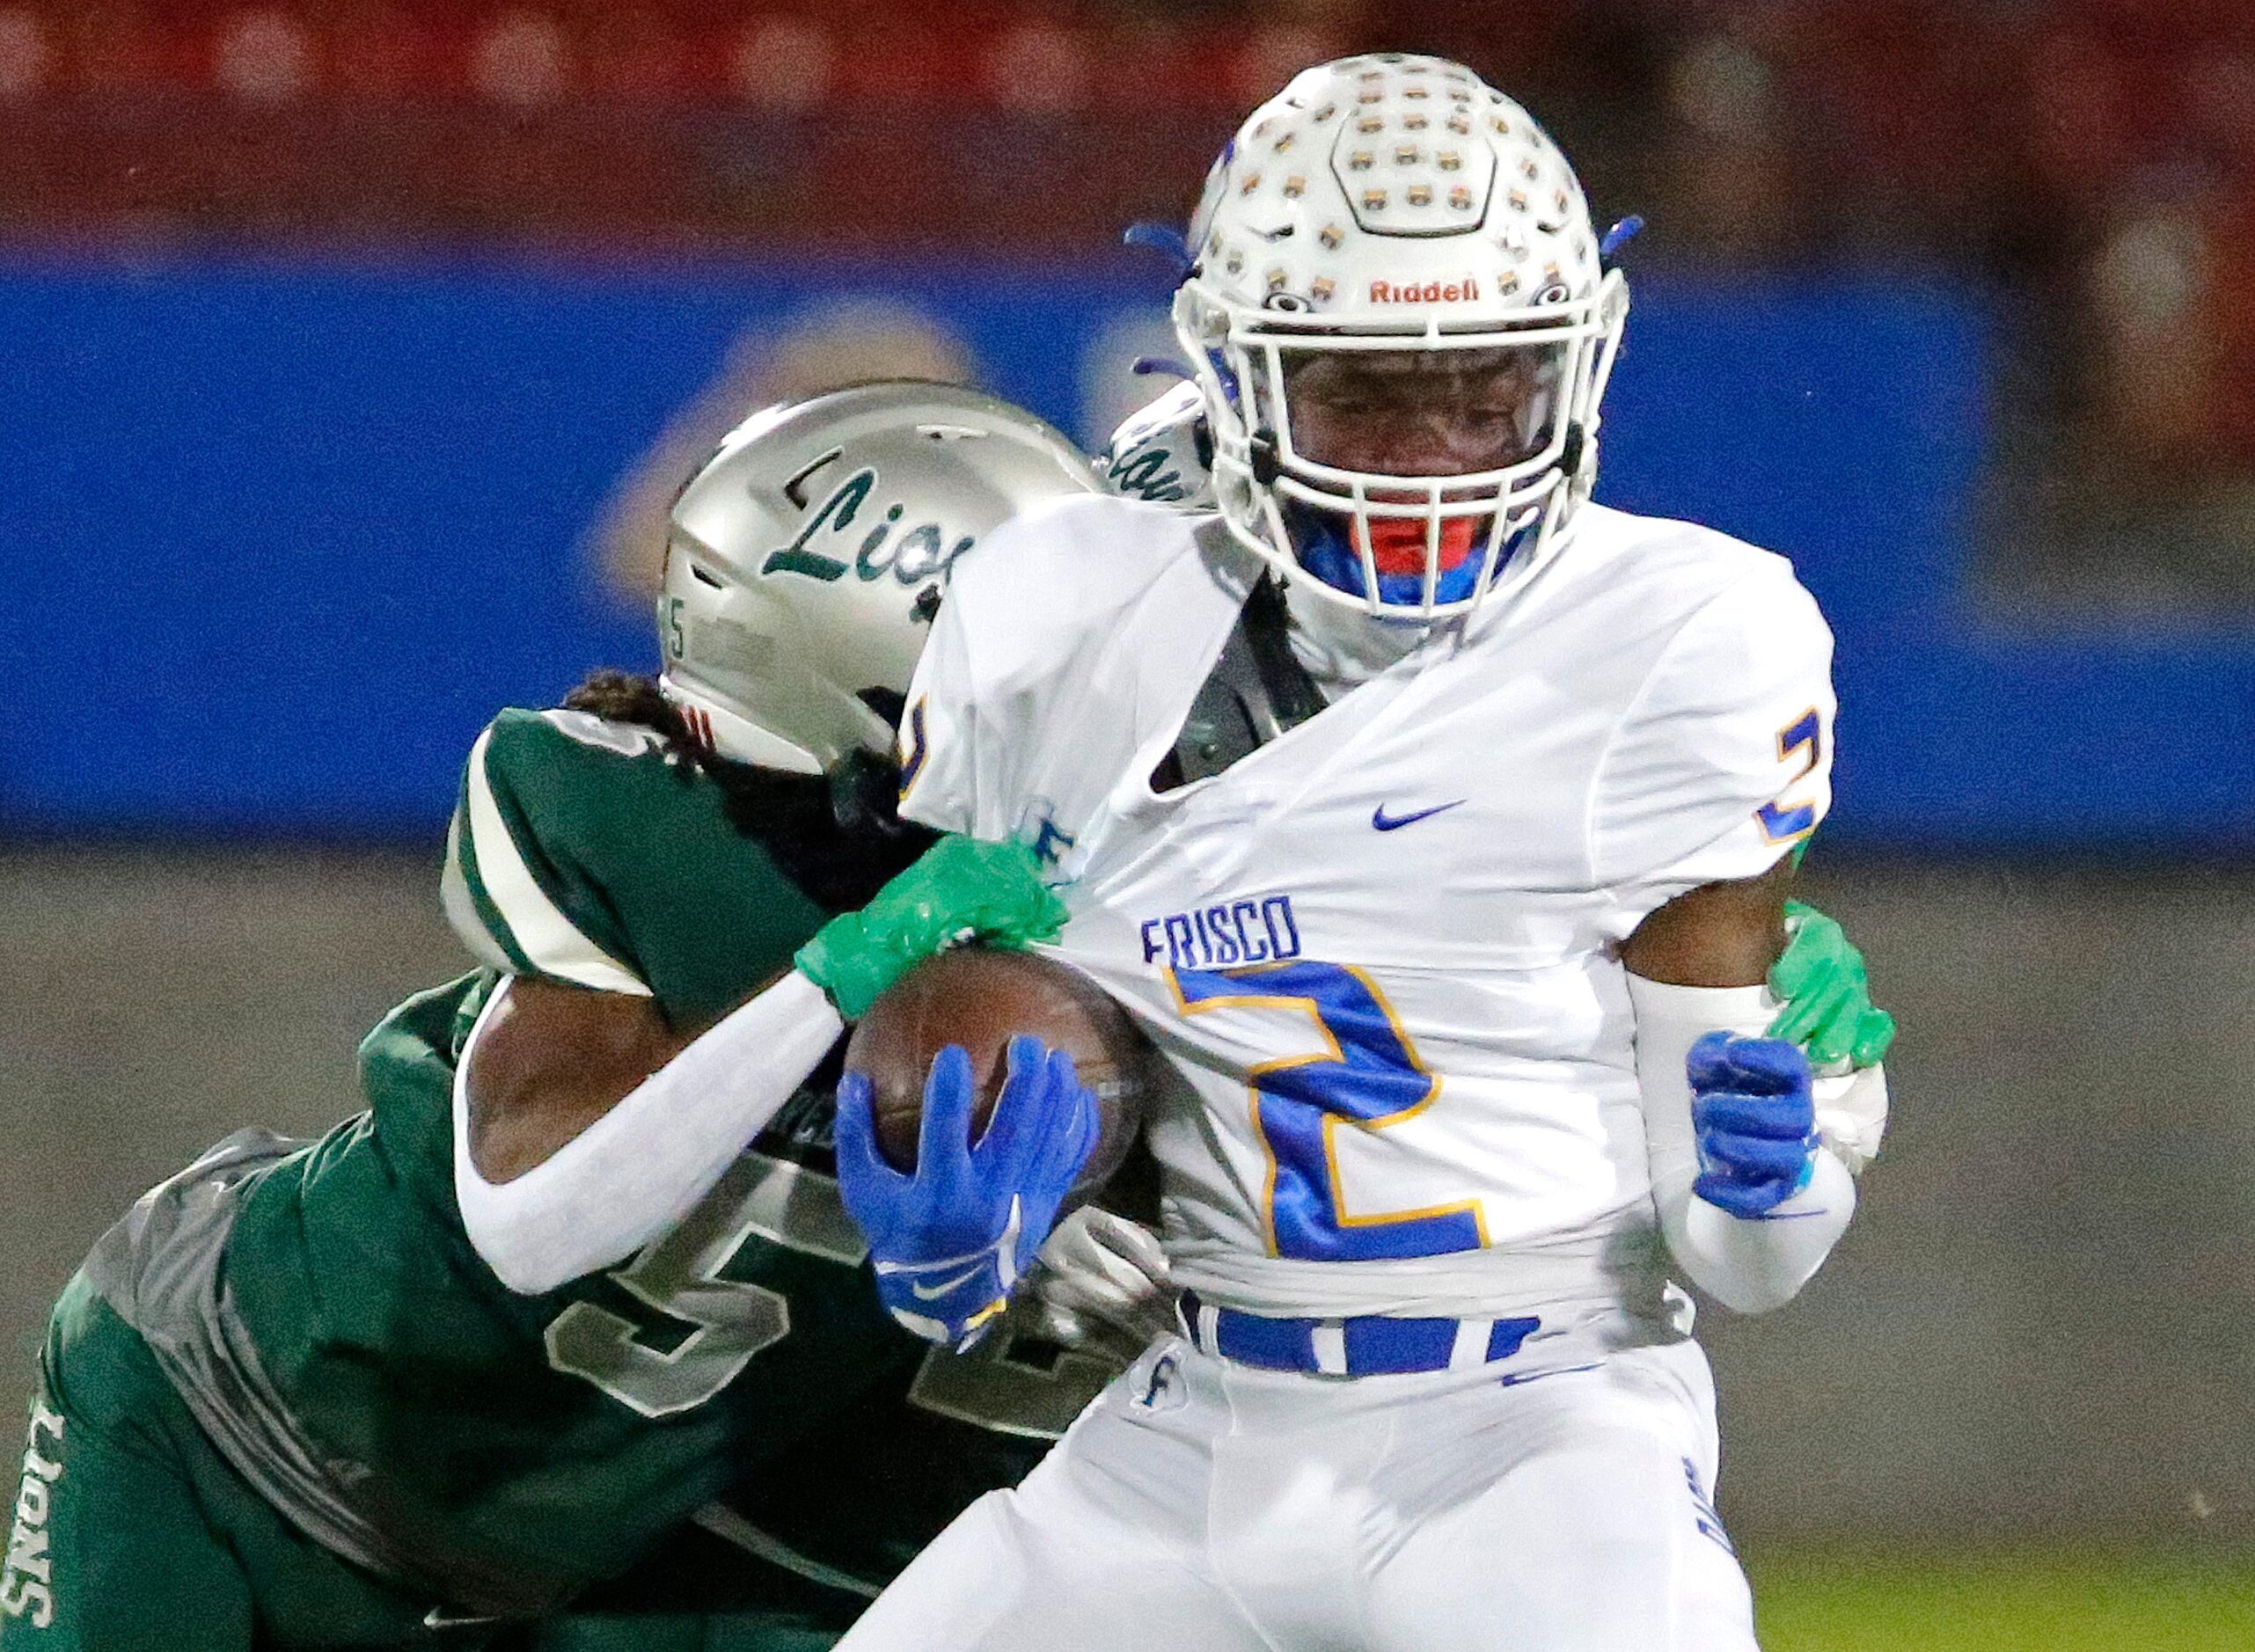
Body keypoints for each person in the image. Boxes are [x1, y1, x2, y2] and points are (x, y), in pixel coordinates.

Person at [827, 53, 1894, 1652]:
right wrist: (978, 1229)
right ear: (1235, 375)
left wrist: (1792, 1162)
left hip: (1538, 1422)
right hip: (1196, 1414)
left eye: (1486, 391)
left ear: (1574, 369)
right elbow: (1041, 1054)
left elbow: (1744, 1261)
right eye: (1367, 393)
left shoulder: (1688, 638)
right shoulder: (1057, 614)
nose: (1434, 454)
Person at [0, 385, 1154, 1652]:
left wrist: (1043, 1257)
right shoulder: (639, 823)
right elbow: (534, 1219)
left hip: (572, 1571)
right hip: (224, 1425)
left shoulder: (1090, 931)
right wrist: (852, 973)